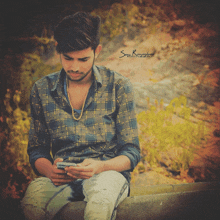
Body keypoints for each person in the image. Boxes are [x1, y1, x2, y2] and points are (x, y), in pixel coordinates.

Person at [21, 11, 140, 220]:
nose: (74, 67)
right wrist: (50, 171)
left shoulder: (118, 86)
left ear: (98, 51)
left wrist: (101, 166)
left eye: (83, 59)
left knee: (99, 206)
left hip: (106, 175)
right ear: (58, 50)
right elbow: (37, 149)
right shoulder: (41, 89)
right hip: (59, 180)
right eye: (68, 58)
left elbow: (131, 152)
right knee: (31, 204)